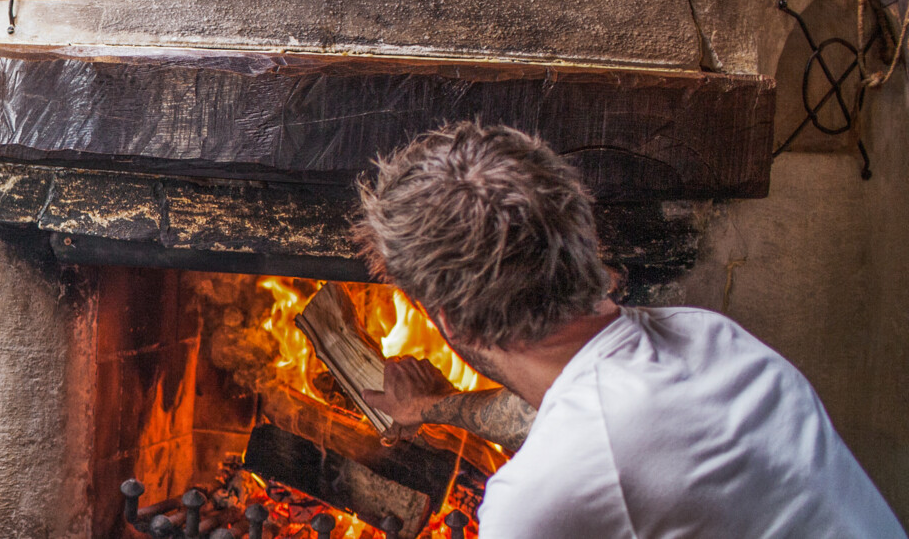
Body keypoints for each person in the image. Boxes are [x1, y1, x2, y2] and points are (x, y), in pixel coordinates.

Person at [355, 122, 904, 537]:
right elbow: (554, 416)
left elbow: (588, 451)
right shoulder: (711, 340)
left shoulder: (535, 501)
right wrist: (429, 408)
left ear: (449, 321)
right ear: (581, 235)